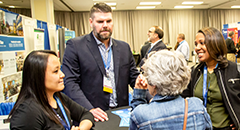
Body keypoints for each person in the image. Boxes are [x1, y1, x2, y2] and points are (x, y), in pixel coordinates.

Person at [62, 2, 139, 122]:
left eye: (108, 21)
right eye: (100, 22)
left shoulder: (124, 47)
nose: (105, 25)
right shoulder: (75, 46)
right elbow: (69, 82)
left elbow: (133, 77)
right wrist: (89, 109)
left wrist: (151, 96)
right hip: (92, 115)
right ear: (91, 22)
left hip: (121, 113)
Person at [8, 50, 94, 130]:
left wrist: (82, 128)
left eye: (60, 69)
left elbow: (86, 114)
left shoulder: (58, 97)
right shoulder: (28, 113)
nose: (62, 75)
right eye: (56, 71)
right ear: (38, 76)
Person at [130, 50, 212, 130]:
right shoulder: (197, 107)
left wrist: (139, 95)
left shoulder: (141, 115)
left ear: (153, 82)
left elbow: (137, 122)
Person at [181, 27, 240, 130]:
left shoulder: (232, 69)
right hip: (200, 127)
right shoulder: (195, 71)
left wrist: (238, 119)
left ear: (215, 44)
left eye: (202, 43)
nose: (197, 48)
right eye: (196, 44)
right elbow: (184, 97)